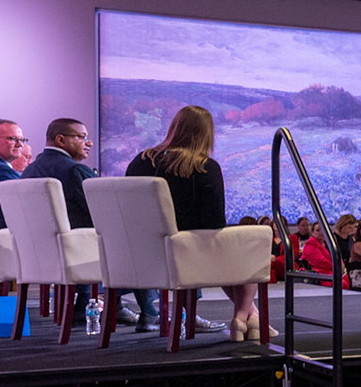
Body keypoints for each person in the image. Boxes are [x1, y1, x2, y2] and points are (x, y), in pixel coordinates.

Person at [123, 105, 266, 340]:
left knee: (231, 257)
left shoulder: (140, 161)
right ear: (207, 134)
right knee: (248, 249)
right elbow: (214, 221)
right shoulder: (204, 167)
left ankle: (251, 318)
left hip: (140, 254)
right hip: (186, 257)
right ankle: (243, 318)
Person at [21, 117, 96, 228]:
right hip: (82, 237)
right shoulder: (75, 171)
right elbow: (105, 211)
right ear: (61, 140)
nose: (90, 143)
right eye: (82, 137)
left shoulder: (28, 171)